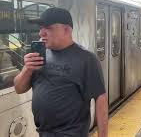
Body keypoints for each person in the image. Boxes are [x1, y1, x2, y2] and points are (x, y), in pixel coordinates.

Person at [13, 7, 108, 137]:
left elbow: (100, 99)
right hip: (43, 133)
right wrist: (27, 69)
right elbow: (19, 89)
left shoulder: (86, 59)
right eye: (40, 28)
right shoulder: (39, 55)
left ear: (67, 30)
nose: (41, 33)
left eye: (48, 28)